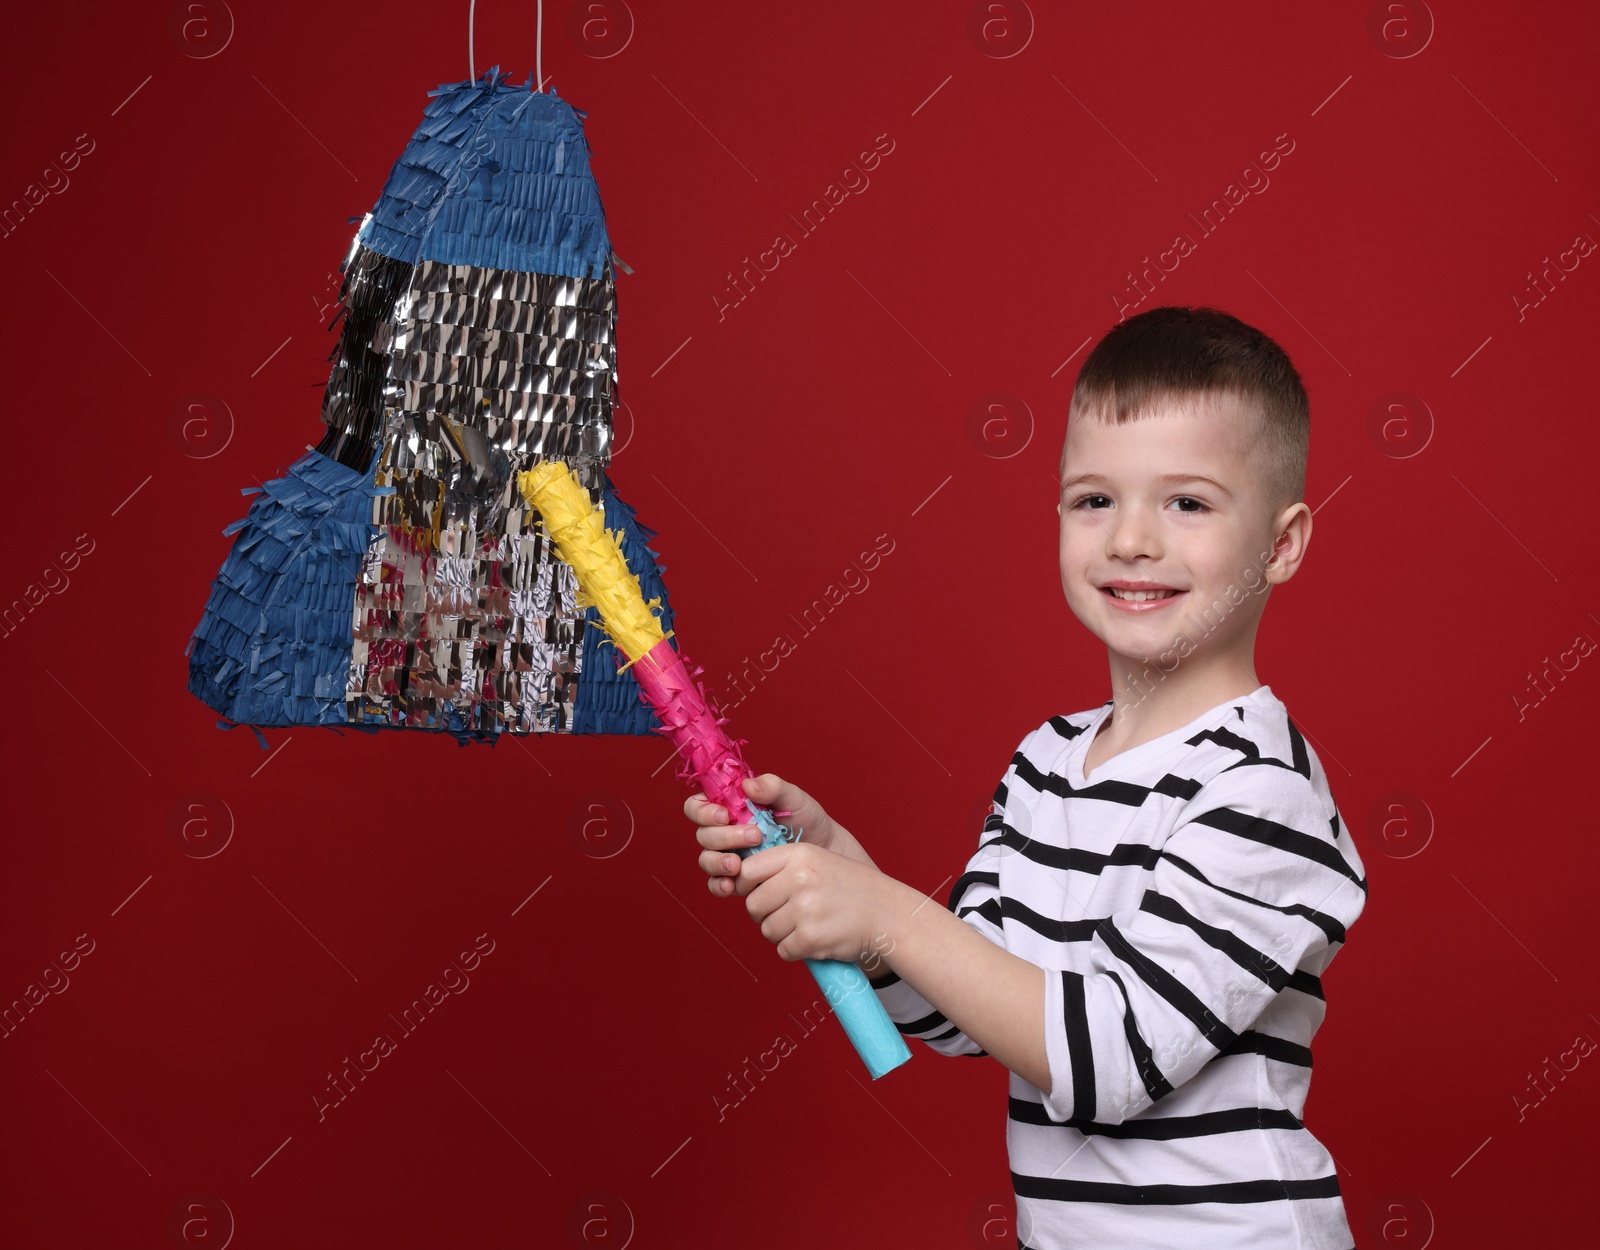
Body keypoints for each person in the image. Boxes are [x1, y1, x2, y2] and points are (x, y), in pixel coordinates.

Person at [685, 305, 1369, 1250]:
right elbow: (977, 1010)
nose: (1131, 539)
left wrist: (884, 911)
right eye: (1095, 499)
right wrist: (845, 885)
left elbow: (1113, 1063)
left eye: (1188, 502)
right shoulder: (1046, 762)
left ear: (1283, 544)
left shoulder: (1263, 791)